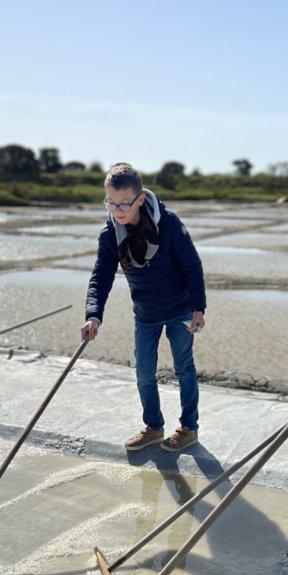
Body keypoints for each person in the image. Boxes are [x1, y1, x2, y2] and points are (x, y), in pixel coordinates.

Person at [81, 163, 207, 452]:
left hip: (180, 308)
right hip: (146, 313)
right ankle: (154, 427)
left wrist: (198, 308)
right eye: (110, 203)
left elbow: (192, 266)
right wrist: (93, 316)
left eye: (124, 203)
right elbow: (100, 277)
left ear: (140, 199)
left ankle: (189, 429)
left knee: (183, 367)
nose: (117, 210)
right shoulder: (109, 234)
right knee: (143, 372)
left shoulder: (169, 224)